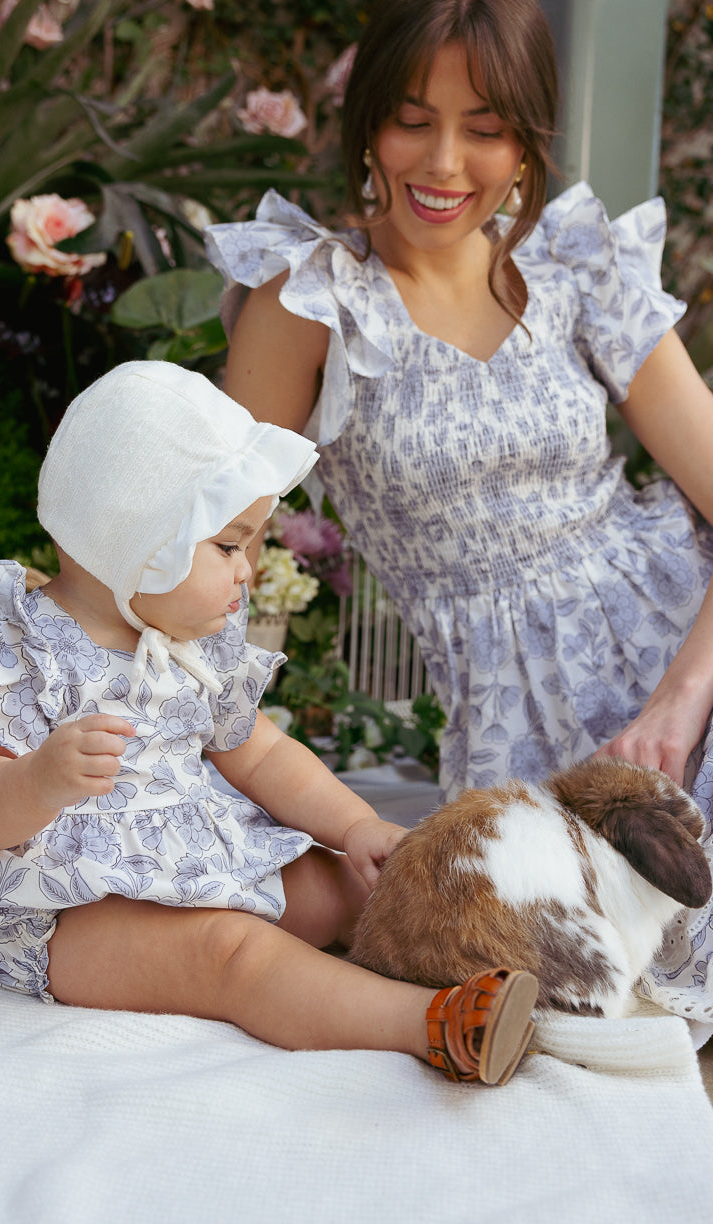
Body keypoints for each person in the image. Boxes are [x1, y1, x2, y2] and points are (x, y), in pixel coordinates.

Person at [204, 0, 713, 1032]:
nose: (443, 162)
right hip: (527, 727)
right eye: (410, 119)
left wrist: (678, 704)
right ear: (364, 128)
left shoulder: (577, 266)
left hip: (689, 645)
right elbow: (213, 536)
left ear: (528, 138)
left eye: (484, 127)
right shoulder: (314, 300)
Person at [0, 360, 538, 1086]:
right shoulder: (17, 643)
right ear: (133, 536)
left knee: (342, 886)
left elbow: (260, 756)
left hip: (197, 860)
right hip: (62, 910)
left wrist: (356, 826)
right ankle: (436, 1025)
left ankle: (508, 955)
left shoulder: (190, 644)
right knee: (231, 956)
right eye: (229, 546)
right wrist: (38, 780)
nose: (247, 571)